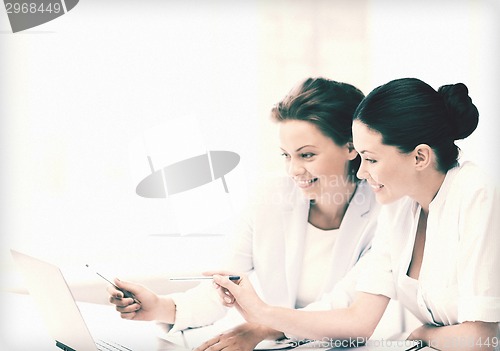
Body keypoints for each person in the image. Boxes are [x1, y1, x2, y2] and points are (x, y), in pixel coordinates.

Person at [213, 78, 500, 351]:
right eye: (361, 157)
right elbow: (358, 320)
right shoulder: (398, 207)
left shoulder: (476, 194)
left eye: (372, 159)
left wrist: (424, 335)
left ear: (420, 157)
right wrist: (263, 316)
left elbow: (483, 340)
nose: (362, 172)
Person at [108, 77, 381, 351]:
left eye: (307, 155)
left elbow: (345, 308)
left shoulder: (382, 213)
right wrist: (159, 307)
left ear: (350, 147)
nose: (293, 170)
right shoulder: (269, 198)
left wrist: (262, 327)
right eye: (286, 156)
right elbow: (223, 287)